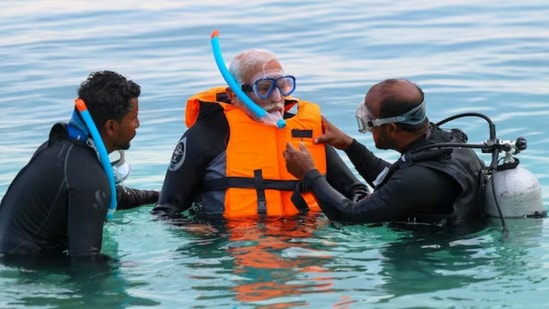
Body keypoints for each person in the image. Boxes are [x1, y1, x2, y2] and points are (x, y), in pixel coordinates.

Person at [153, 48, 368, 220]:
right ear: (233, 94)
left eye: (283, 85)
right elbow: (165, 212)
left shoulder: (305, 132)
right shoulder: (208, 133)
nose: (277, 97)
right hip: (231, 249)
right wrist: (198, 234)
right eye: (263, 88)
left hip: (304, 246)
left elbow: (357, 191)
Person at [0, 70, 158, 262]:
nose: (138, 124)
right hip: (26, 268)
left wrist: (158, 196)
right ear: (111, 127)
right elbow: (86, 265)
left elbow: (105, 195)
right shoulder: (88, 176)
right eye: (134, 118)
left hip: (12, 252)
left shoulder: (63, 149)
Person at [283, 78, 486, 227]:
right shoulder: (447, 144)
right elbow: (393, 182)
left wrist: (309, 174)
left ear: (391, 128)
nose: (369, 129)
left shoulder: (417, 178)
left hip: (431, 260)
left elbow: (350, 216)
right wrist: (349, 145)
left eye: (369, 122)